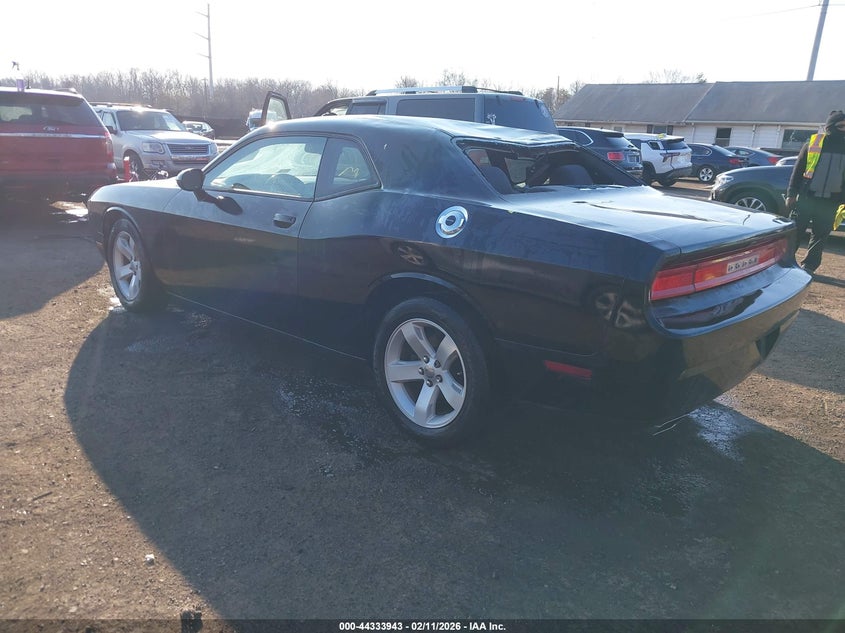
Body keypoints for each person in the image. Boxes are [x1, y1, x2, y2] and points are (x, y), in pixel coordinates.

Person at [785, 110, 845, 274]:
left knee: (820, 235)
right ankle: (785, 262)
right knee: (795, 232)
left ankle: (809, 266)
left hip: (830, 202)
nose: (843, 129)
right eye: (840, 125)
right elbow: (797, 172)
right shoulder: (813, 144)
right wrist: (791, 194)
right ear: (830, 126)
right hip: (806, 198)